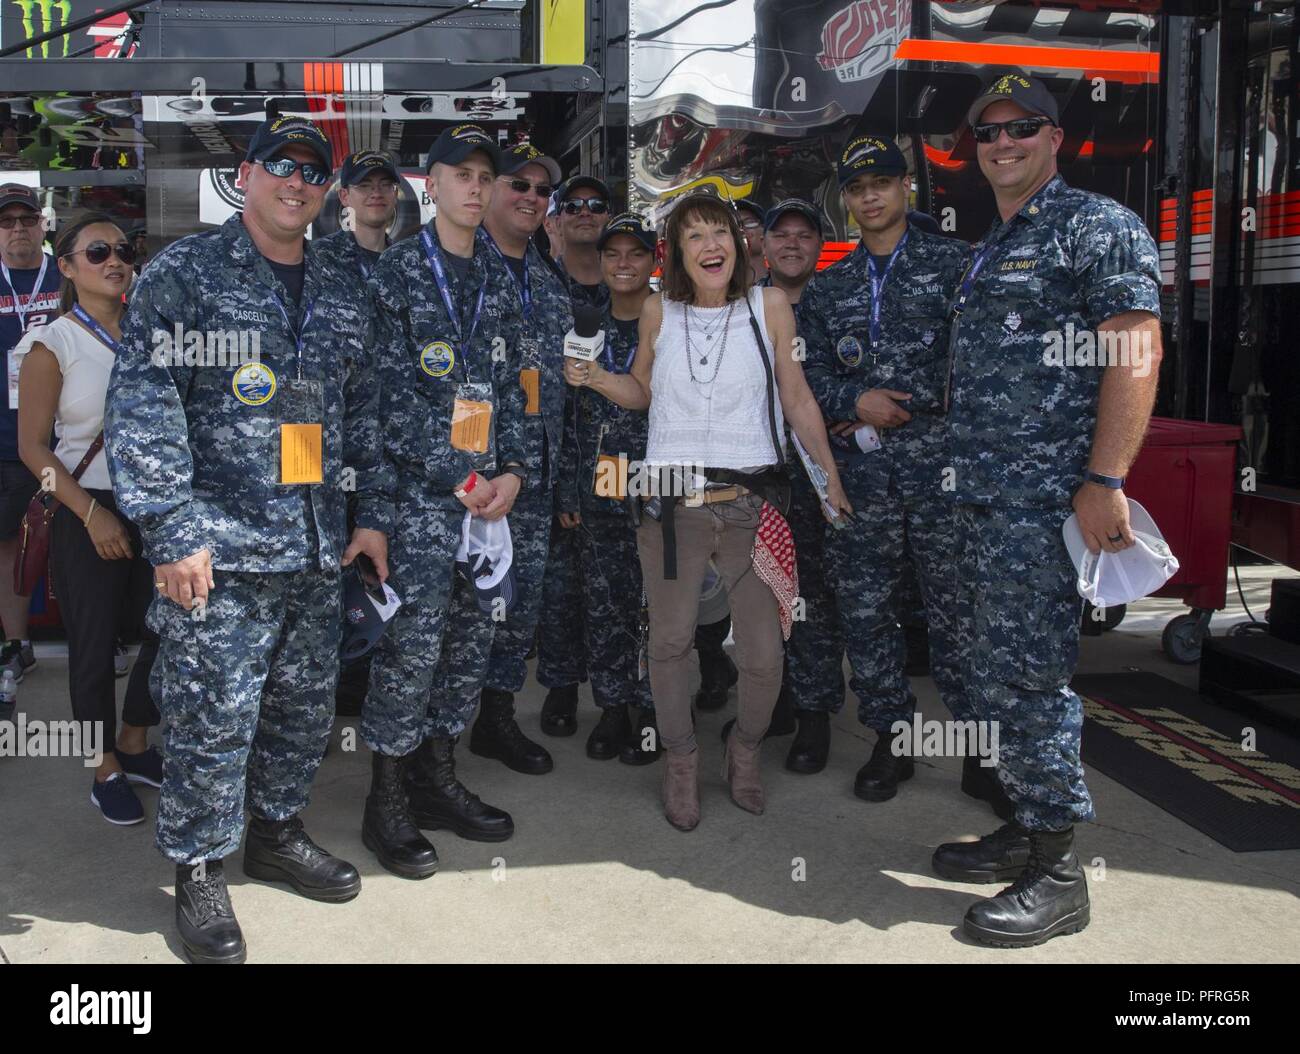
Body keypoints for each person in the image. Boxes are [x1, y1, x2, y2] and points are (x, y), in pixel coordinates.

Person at [105, 116, 391, 964]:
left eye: (312, 170)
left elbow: (364, 406)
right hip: (216, 549)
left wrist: (369, 513)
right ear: (246, 174)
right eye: (279, 166)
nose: (295, 182)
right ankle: (198, 869)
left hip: (314, 546)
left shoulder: (342, 280)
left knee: (301, 711)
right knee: (209, 718)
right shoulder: (187, 274)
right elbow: (145, 401)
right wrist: (171, 529)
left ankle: (274, 833)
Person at [931, 73, 1162, 945]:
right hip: (979, 507)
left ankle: (1061, 874)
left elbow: (1134, 350)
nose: (1003, 144)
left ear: (1055, 138)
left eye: (1022, 128)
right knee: (989, 679)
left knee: (1029, 683)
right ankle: (1028, 828)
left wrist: (1106, 478)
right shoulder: (994, 244)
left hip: (1040, 509)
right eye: (988, 134)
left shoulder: (1096, 228)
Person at [570, 189, 849, 831]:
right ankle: (681, 761)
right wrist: (597, 379)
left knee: (763, 653)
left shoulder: (768, 305)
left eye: (718, 231)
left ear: (739, 242)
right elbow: (641, 392)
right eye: (694, 236)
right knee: (668, 645)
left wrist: (829, 477)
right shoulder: (656, 312)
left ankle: (743, 752)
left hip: (751, 502)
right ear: (677, 253)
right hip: (672, 506)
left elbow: (798, 397)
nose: (710, 244)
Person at [361, 123, 526, 869]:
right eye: (461, 174)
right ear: (432, 186)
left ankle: (438, 778)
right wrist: (462, 481)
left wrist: (514, 474)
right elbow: (384, 402)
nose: (475, 186)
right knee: (411, 652)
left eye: (485, 176)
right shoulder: (394, 275)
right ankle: (387, 800)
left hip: (485, 505)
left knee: (467, 647)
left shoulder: (498, 276)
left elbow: (519, 389)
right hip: (420, 506)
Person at [801, 136, 976, 805]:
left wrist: (908, 405)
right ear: (845, 201)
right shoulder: (829, 285)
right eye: (856, 187)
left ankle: (977, 748)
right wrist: (853, 401)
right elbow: (805, 373)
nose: (870, 196)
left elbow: (979, 366)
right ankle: (891, 740)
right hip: (862, 479)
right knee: (866, 614)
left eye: (882, 183)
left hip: (941, 476)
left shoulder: (957, 266)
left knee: (956, 614)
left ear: (907, 188)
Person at [15, 214, 161, 825]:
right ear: (68, 267)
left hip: (155, 507)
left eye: (123, 250)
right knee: (94, 648)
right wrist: (91, 513)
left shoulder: (155, 333)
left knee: (164, 631)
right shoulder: (53, 344)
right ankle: (101, 765)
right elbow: (33, 451)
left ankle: (133, 741)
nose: (114, 260)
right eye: (96, 251)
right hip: (85, 509)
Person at [475, 143, 570, 774]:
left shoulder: (546, 280)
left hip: (533, 479)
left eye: (542, 190)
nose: (532, 198)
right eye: (520, 185)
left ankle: (496, 719)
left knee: (517, 607)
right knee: (459, 613)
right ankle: (425, 749)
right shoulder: (453, 268)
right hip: (467, 479)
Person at [559, 213, 658, 763]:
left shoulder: (670, 321)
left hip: (656, 482)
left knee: (654, 604)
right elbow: (570, 416)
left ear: (652, 262)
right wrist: (569, 491)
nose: (623, 264)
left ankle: (650, 712)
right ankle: (613, 708)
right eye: (613, 254)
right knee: (604, 602)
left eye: (635, 254)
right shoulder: (583, 323)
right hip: (598, 485)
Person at [756, 198, 846, 773]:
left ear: (818, 244)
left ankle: (815, 717)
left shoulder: (840, 302)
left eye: (803, 235)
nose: (791, 244)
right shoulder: (742, 304)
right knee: (762, 596)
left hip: (821, 477)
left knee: (812, 598)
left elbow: (852, 384)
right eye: (780, 234)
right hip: (757, 477)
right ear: (762, 245)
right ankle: (772, 704)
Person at [313, 150, 401, 719]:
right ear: (342, 198)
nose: (374, 192)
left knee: (380, 576)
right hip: (324, 455)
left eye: (384, 184)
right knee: (324, 583)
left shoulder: (414, 266)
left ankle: (364, 690)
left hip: (393, 452)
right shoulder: (318, 262)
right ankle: (325, 698)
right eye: (361, 184)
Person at [534, 174, 614, 734]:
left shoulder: (634, 292)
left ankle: (616, 698)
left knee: (614, 588)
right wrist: (563, 482)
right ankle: (561, 688)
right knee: (558, 589)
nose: (585, 213)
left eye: (596, 205)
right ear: (555, 220)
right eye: (573, 206)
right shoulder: (542, 289)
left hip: (617, 468)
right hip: (556, 462)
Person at [0, 183, 60, 682]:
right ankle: (17, 645)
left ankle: (97, 639)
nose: (18, 228)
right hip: (6, 438)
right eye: (7, 221)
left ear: (44, 224)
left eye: (26, 219)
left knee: (81, 541)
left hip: (72, 439)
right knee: (8, 547)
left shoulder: (67, 274)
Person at [314, 149, 401, 277]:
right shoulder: (319, 257)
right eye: (364, 185)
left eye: (385, 185)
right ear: (344, 196)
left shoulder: (407, 260)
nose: (376, 193)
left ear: (395, 195)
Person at [735, 198, 767, 284]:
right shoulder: (720, 288)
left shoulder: (783, 277)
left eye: (750, 222)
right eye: (734, 224)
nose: (741, 230)